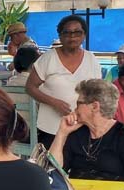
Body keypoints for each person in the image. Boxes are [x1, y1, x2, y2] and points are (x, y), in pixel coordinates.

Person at [50, 78, 124, 189]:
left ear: (94, 106)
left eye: (78, 103)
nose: (75, 109)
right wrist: (62, 133)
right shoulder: (76, 133)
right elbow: (53, 172)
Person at [27, 15, 102, 148]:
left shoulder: (92, 60)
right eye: (66, 33)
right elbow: (30, 87)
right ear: (60, 36)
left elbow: (98, 92)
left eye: (77, 32)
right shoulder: (48, 58)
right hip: (51, 128)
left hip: (82, 126)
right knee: (52, 166)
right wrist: (53, 102)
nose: (72, 37)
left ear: (84, 35)